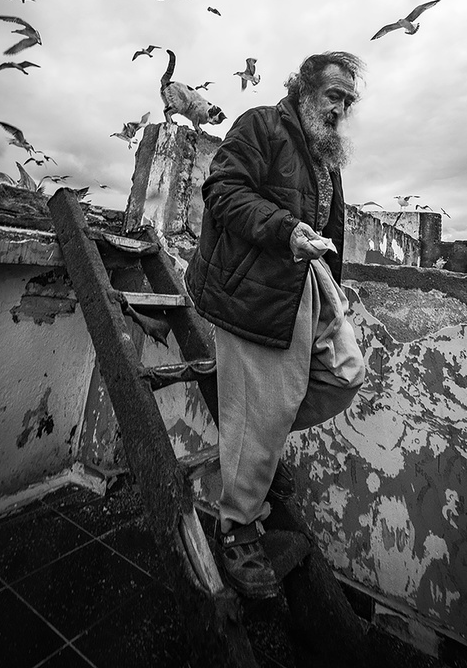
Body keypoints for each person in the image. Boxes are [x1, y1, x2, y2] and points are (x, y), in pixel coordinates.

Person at [185, 51, 366, 598]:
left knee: (345, 375)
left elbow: (328, 234)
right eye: (334, 95)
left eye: (348, 101)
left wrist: (335, 291)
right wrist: (285, 229)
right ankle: (236, 526)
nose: (341, 108)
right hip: (256, 286)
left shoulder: (326, 156)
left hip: (307, 287)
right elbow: (223, 191)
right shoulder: (260, 125)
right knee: (266, 406)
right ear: (306, 87)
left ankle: (252, 435)